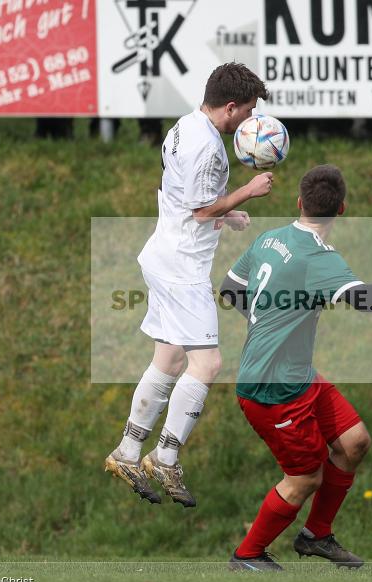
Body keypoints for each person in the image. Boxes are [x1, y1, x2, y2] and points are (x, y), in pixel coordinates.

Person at [219, 165, 372, 570]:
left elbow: (231, 289)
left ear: (299, 202)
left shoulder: (271, 238)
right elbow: (366, 301)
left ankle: (316, 535)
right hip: (273, 391)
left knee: (354, 442)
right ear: (342, 209)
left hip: (298, 377)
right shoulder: (318, 258)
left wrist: (269, 320)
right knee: (305, 478)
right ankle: (247, 555)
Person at [104, 63, 274, 507]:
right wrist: (247, 191)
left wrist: (226, 214)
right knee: (208, 364)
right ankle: (165, 456)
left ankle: (127, 451)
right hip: (182, 268)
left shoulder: (185, 126)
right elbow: (200, 211)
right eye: (249, 110)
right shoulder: (208, 147)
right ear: (230, 107)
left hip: (164, 253)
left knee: (170, 357)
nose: (250, 119)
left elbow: (187, 200)